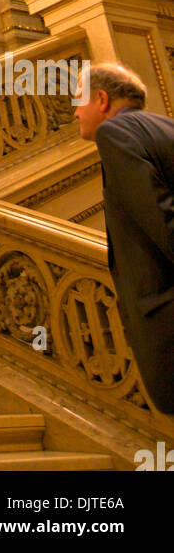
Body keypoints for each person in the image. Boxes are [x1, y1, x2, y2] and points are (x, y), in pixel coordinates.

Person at [75, 62, 174, 414]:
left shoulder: (114, 133)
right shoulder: (164, 126)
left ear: (102, 99)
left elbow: (158, 212)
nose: (76, 113)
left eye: (79, 101)